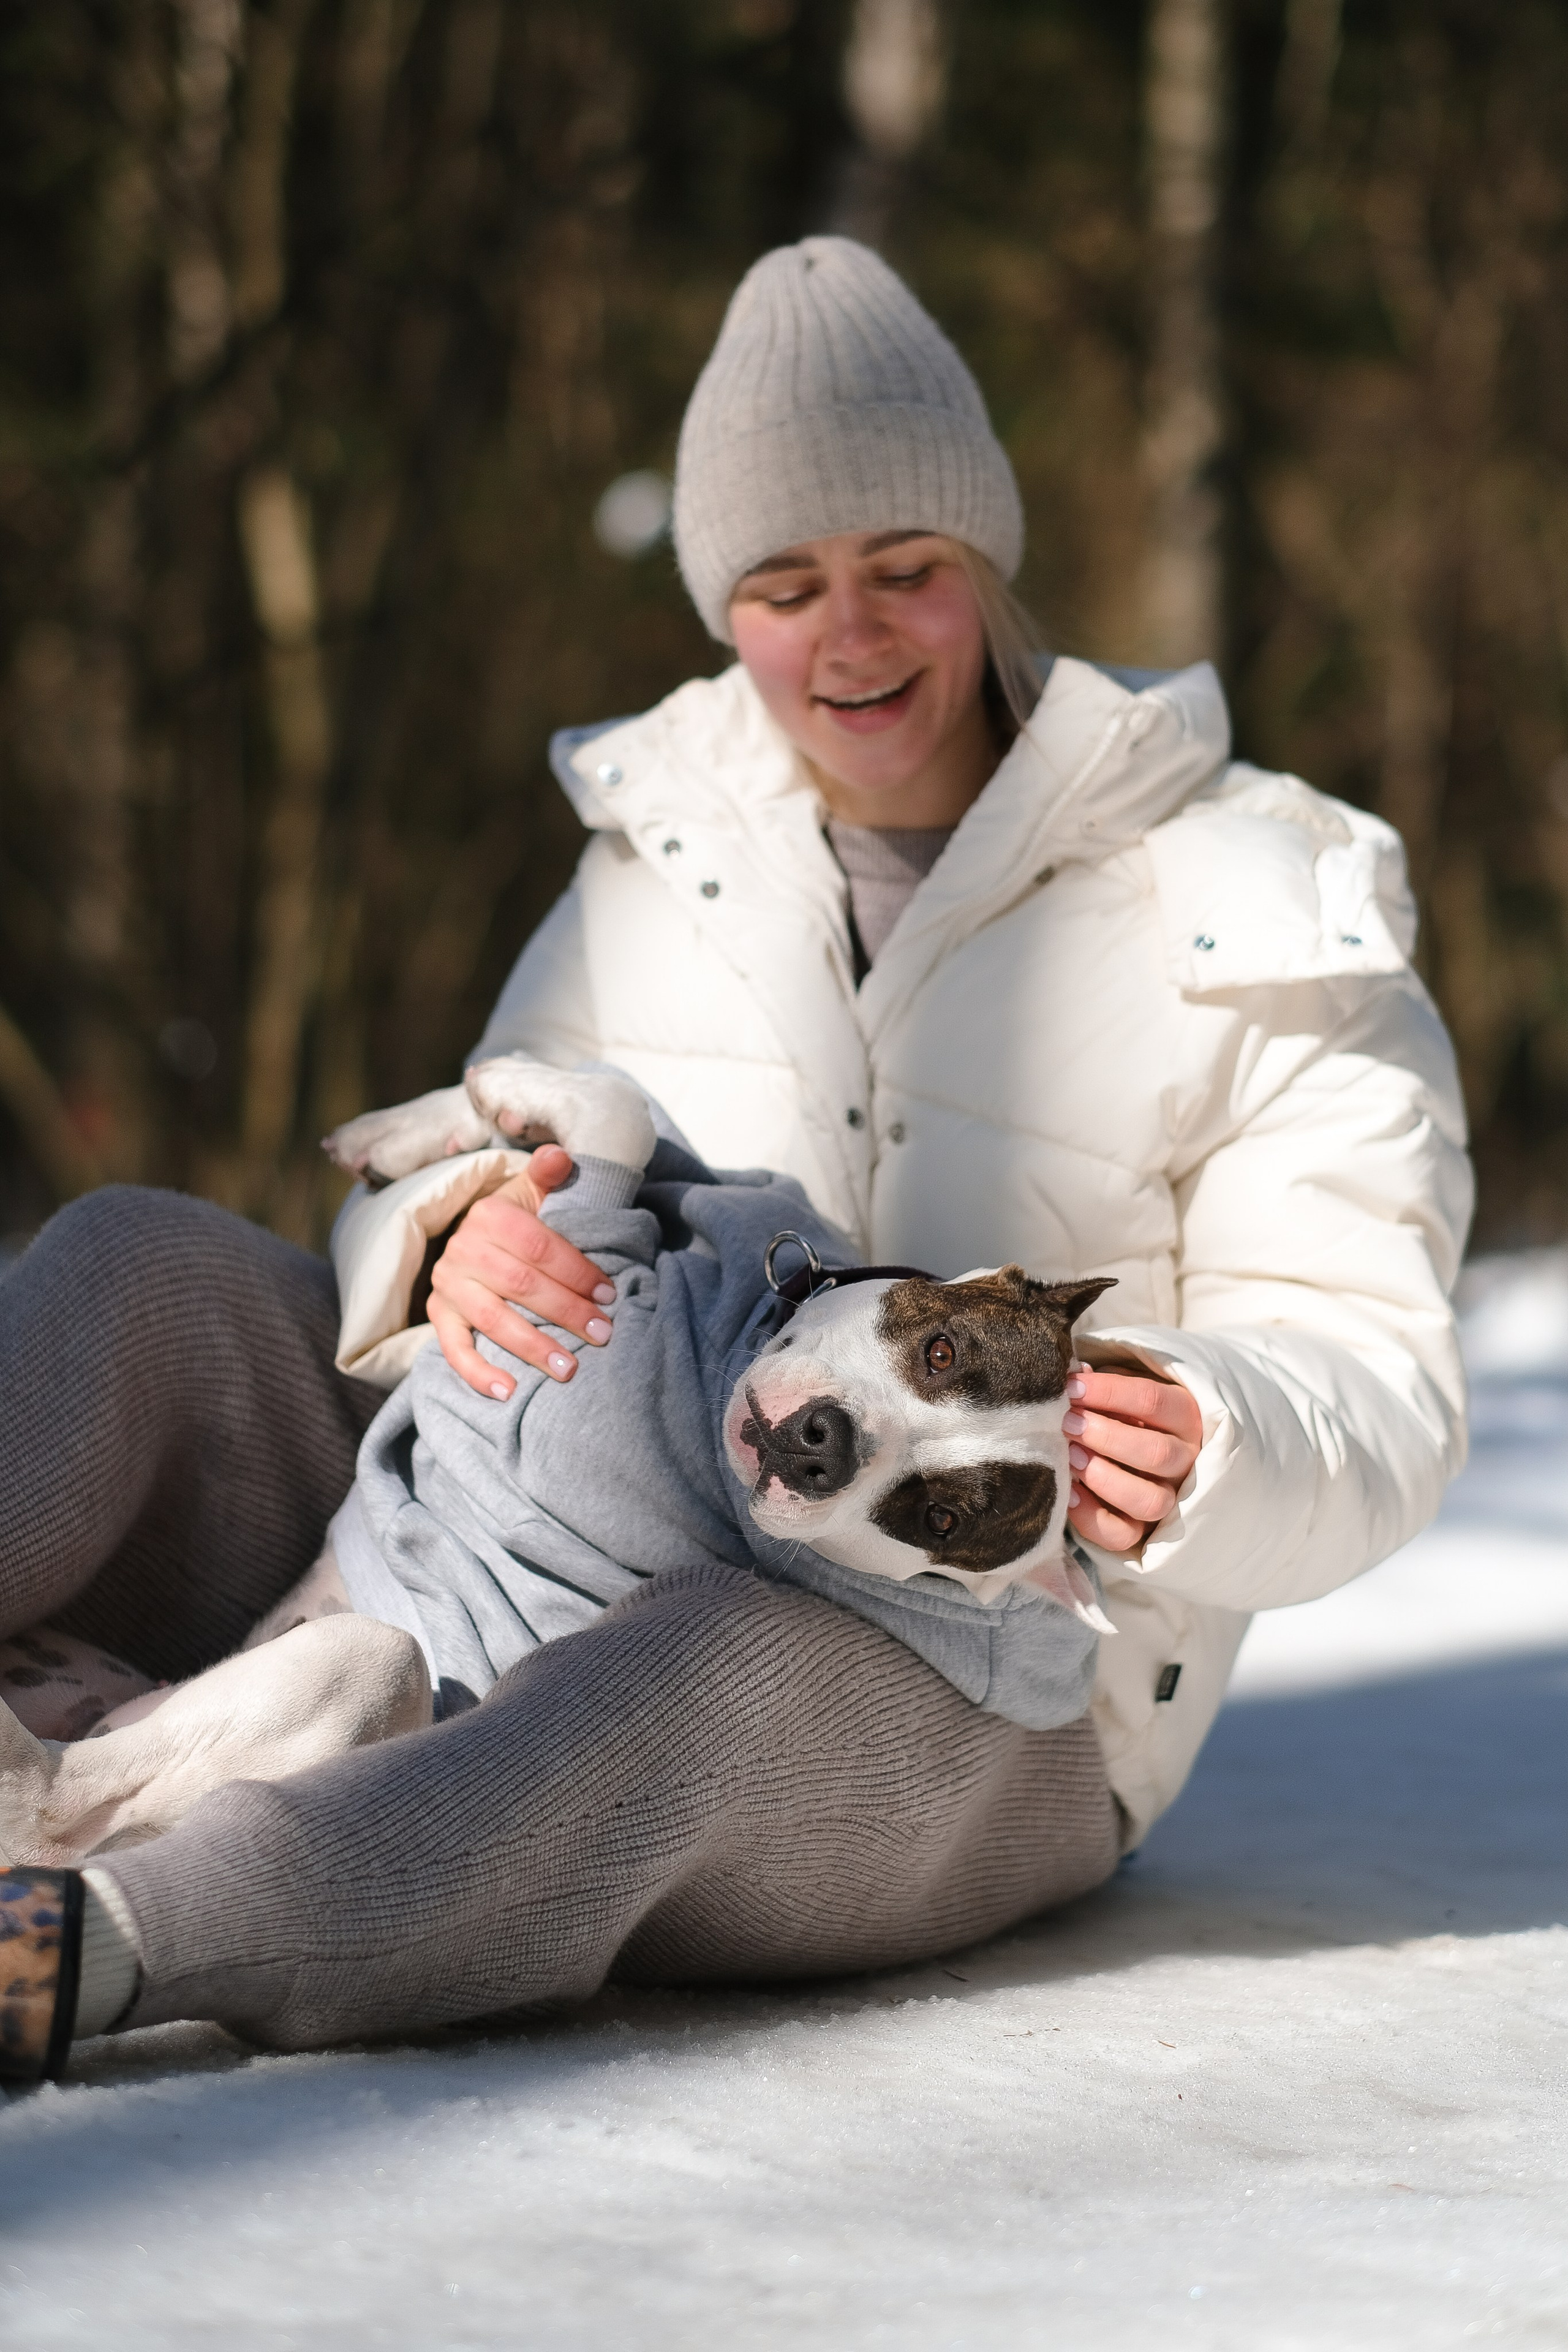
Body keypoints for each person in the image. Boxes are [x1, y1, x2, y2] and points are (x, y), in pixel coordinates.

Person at [0, 238, 1469, 2078]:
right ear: (723, 606)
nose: (849, 636)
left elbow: (1375, 1373)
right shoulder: (662, 843)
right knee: (139, 1264)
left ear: (987, 565)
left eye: (904, 571)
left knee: (702, 1662)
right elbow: (473, 1145)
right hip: (511, 1515)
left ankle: (102, 1942)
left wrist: (1204, 1434)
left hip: (969, 1692)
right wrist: (449, 1240)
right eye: (785, 586)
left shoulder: (1261, 900)